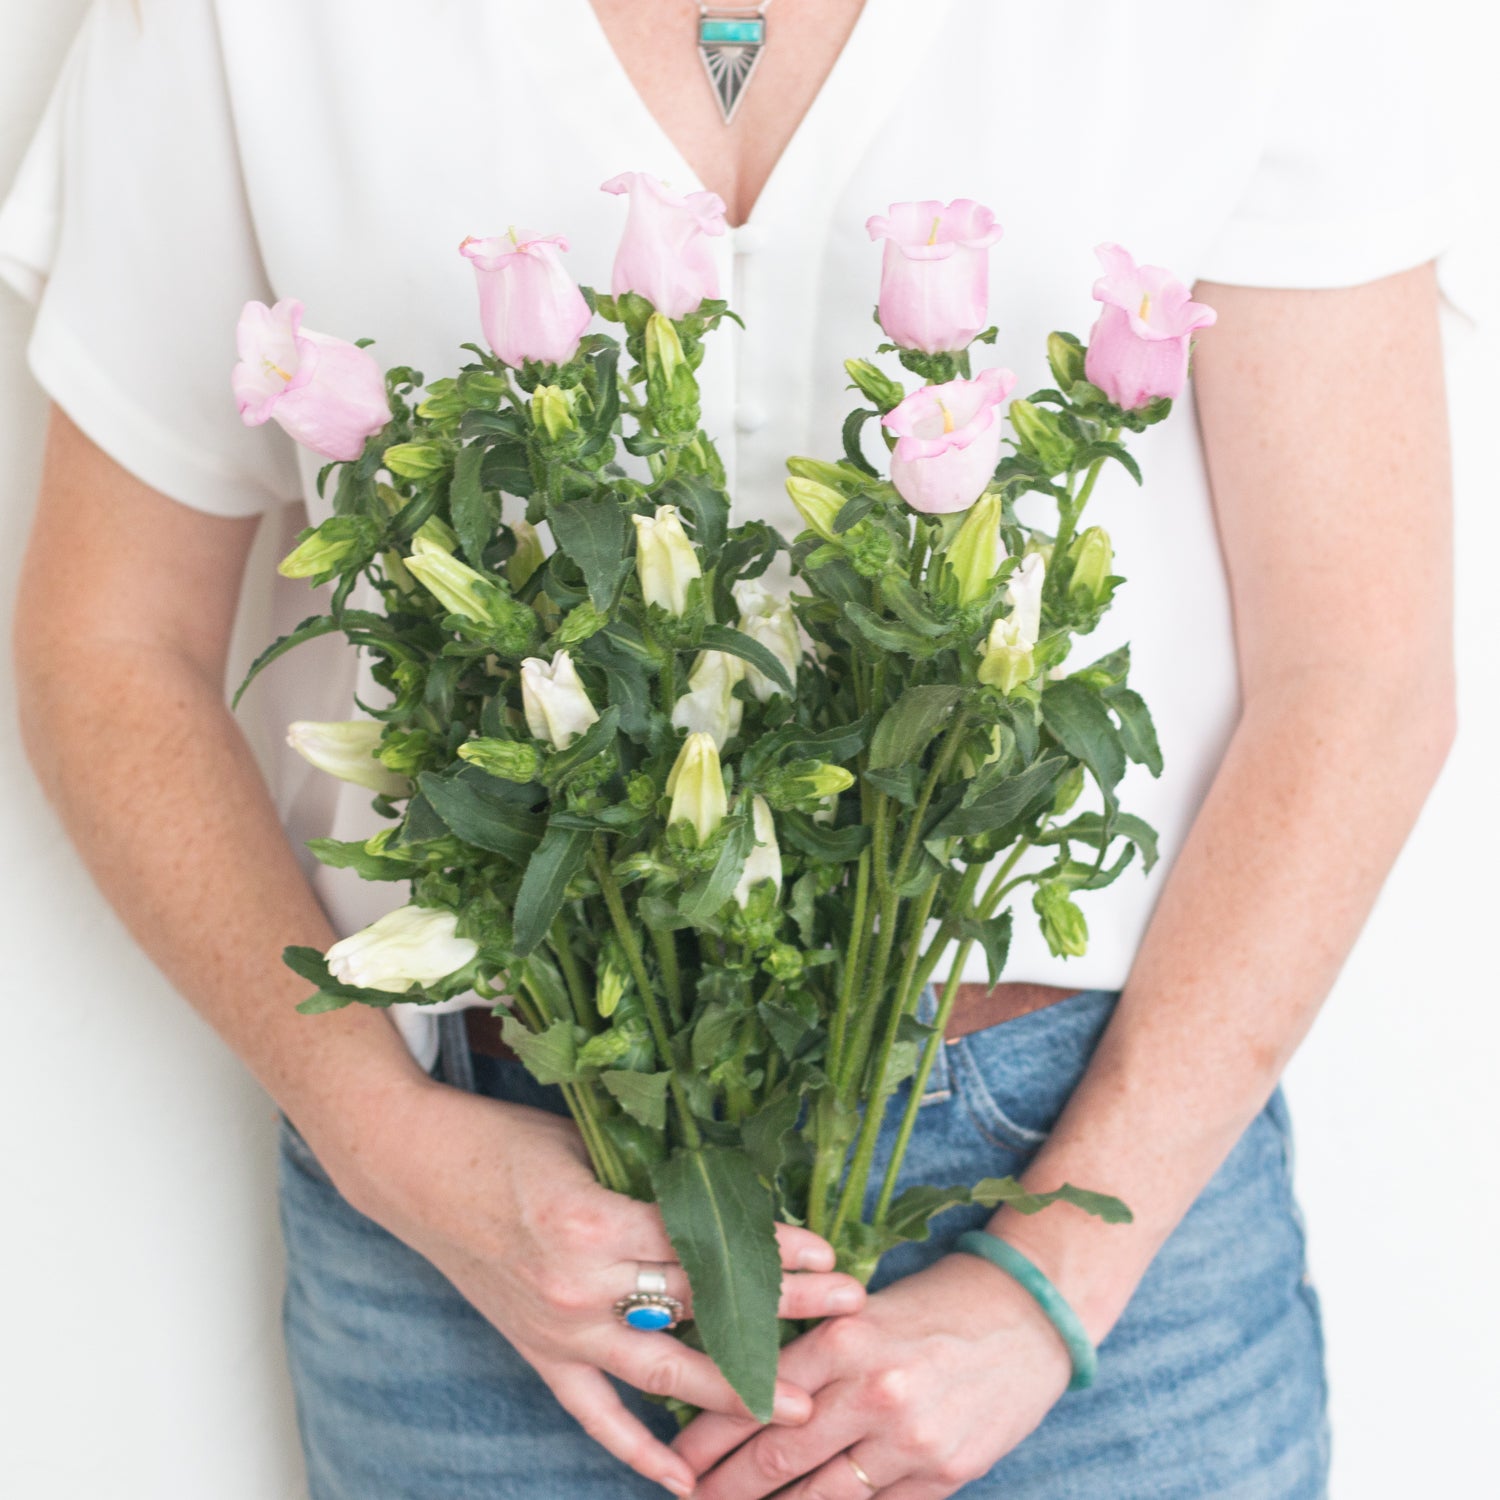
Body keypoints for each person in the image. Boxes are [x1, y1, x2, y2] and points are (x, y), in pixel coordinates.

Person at [0, 1, 1459, 1496]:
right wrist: (390, 1145)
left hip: (1087, 1195)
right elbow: (110, 650)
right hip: (488, 1231)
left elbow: (1361, 674)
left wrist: (1051, 1278)